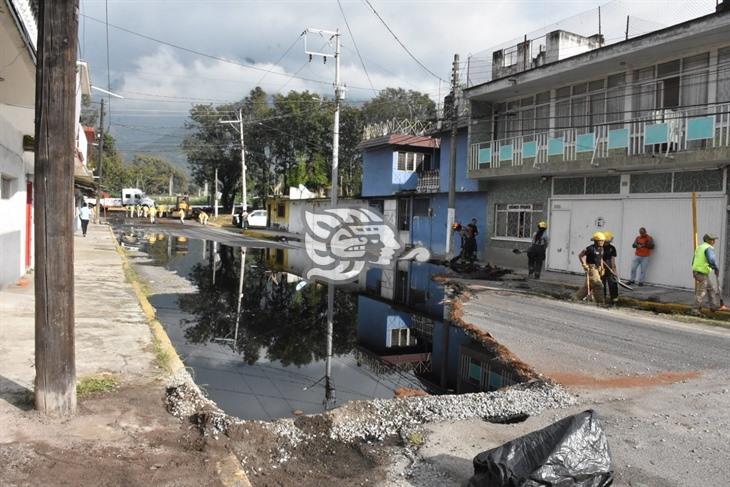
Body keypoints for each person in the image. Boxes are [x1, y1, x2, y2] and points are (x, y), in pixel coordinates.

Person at [692, 233, 729, 312]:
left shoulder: (700, 247)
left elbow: (694, 260)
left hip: (698, 272)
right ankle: (695, 310)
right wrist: (715, 268)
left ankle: (713, 307)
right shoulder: (708, 248)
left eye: (714, 239)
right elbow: (711, 259)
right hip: (701, 273)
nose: (714, 241)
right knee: (701, 292)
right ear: (707, 240)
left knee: (711, 289)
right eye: (712, 239)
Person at [575, 232, 606, 304]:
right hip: (592, 269)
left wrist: (602, 268)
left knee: (587, 287)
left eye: (603, 241)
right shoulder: (590, 248)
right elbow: (580, 255)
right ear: (596, 241)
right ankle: (600, 302)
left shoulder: (601, 249)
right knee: (598, 285)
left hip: (598, 269)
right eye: (601, 240)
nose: (602, 242)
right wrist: (584, 265)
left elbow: (601, 258)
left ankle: (576, 298)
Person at [602, 231, 619, 306]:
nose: (607, 242)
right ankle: (602, 300)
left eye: (608, 241)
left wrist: (614, 271)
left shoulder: (612, 248)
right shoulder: (599, 248)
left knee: (613, 285)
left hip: (610, 270)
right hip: (601, 269)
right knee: (602, 286)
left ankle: (614, 301)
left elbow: (613, 261)